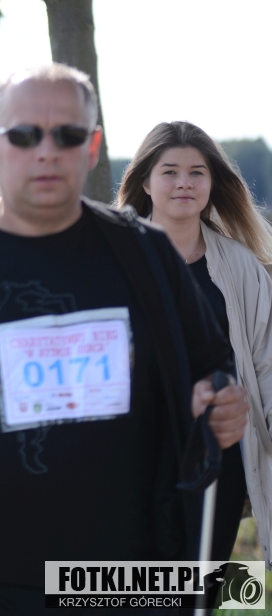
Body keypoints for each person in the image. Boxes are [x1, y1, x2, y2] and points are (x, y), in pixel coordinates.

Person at [0, 64, 249, 615]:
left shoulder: (148, 258)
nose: (47, 152)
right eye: (25, 135)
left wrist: (219, 407)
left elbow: (211, 375)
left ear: (93, 148)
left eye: (68, 135)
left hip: (120, 583)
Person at [118, 121, 272, 566]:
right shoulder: (112, 258)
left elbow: (265, 361)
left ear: (211, 183)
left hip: (219, 457)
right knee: (127, 587)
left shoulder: (241, 266)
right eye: (169, 172)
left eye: (196, 172)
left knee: (201, 586)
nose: (183, 182)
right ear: (146, 182)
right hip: (132, 459)